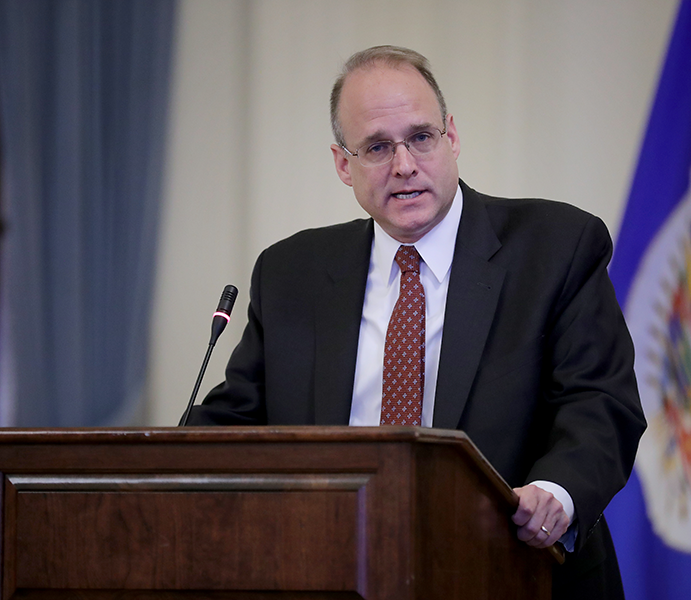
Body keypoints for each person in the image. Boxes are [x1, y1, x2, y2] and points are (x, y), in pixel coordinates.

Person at [188, 45, 645, 599]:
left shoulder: (556, 247)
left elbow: (601, 402)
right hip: (333, 572)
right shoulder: (292, 274)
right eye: (377, 147)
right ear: (342, 164)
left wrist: (556, 491)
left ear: (452, 138)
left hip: (516, 570)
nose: (404, 165)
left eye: (421, 138)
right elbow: (235, 423)